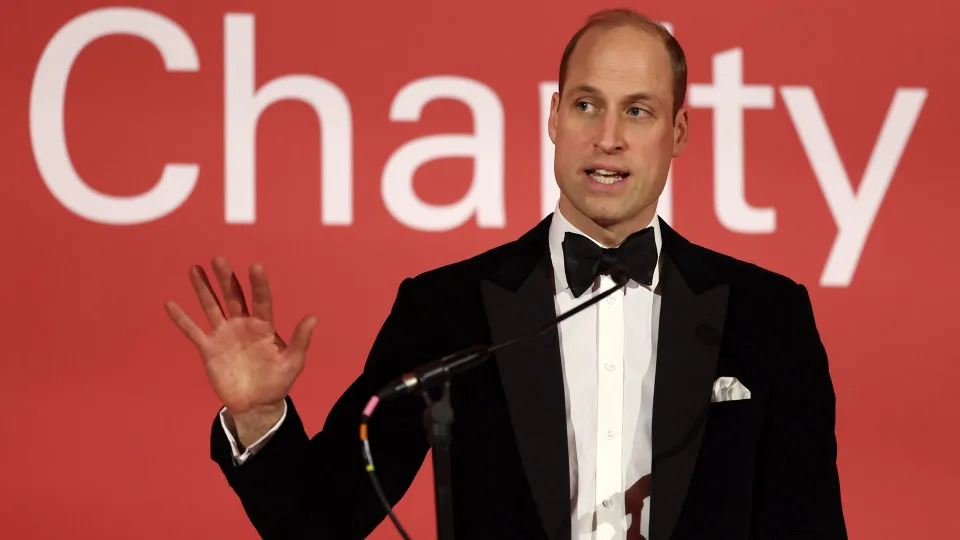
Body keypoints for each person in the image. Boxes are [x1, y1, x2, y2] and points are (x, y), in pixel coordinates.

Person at [165, 8, 847, 540]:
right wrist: (257, 415)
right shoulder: (447, 308)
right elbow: (320, 521)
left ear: (678, 132)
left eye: (637, 110)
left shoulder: (769, 317)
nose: (608, 135)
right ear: (554, 117)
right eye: (586, 104)